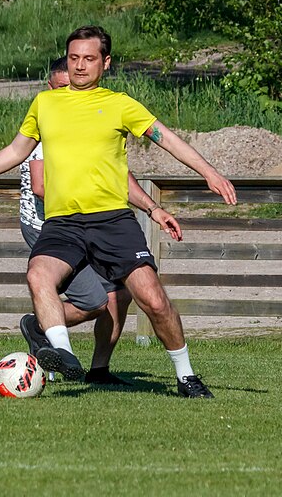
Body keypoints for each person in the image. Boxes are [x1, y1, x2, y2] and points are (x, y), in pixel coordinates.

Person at [0, 25, 236, 398]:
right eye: (74, 58)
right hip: (63, 223)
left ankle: (186, 375)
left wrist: (208, 173)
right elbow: (15, 152)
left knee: (154, 301)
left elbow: (167, 138)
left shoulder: (120, 104)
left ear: (105, 63)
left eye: (89, 59)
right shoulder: (45, 104)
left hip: (112, 221)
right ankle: (62, 353)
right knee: (37, 274)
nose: (79, 66)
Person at [18, 57, 183, 386]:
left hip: (91, 222)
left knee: (120, 294)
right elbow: (40, 187)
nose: (72, 91)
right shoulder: (48, 120)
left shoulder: (91, 116)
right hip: (52, 224)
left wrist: (151, 208)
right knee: (95, 300)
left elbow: (117, 176)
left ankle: (98, 369)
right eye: (63, 86)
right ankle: (46, 333)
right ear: (50, 88)